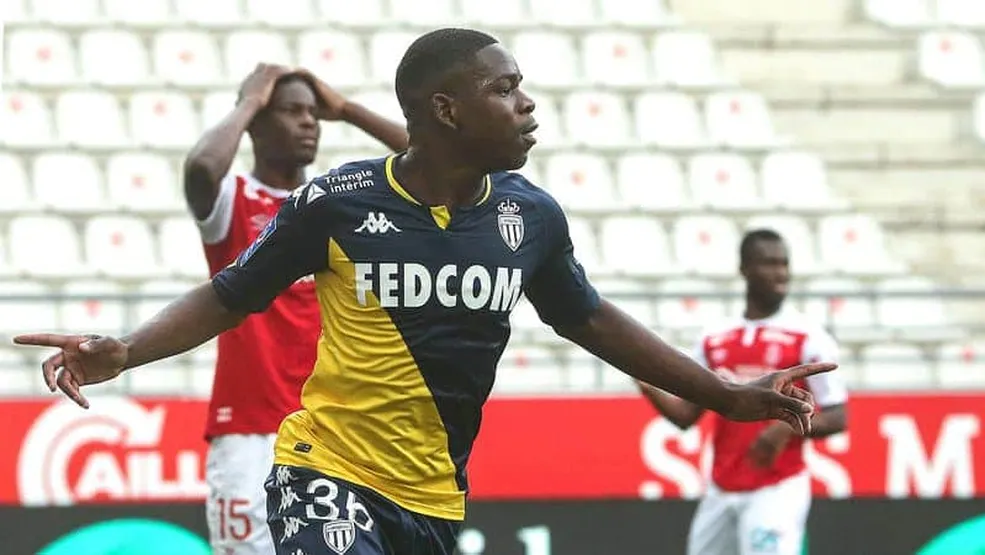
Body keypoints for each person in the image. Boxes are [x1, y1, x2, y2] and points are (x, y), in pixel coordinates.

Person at [15, 29, 837, 555]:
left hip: (434, 494)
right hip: (323, 471)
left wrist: (725, 396)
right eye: (504, 89)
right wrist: (126, 349)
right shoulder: (336, 202)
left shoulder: (529, 216)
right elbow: (231, 294)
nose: (527, 103)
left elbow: (589, 319)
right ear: (446, 109)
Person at [182, 64, 409, 554]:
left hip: (333, 433)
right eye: (291, 110)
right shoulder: (234, 200)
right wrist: (248, 101)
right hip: (249, 431)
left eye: (313, 112)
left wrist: (346, 110)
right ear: (257, 126)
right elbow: (200, 170)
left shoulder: (334, 204)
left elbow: (432, 162)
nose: (308, 121)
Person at [637, 228, 848, 555]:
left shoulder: (808, 336)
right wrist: (645, 381)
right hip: (721, 486)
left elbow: (837, 417)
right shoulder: (714, 337)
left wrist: (783, 429)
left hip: (776, 487)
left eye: (784, 264)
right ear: (745, 269)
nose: (780, 273)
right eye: (769, 263)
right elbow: (685, 416)